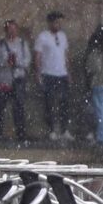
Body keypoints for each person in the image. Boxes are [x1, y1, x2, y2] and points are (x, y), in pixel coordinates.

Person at [0, 19, 31, 142]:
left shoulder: (23, 44)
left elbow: (27, 60)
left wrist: (17, 62)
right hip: (3, 81)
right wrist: (5, 63)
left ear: (17, 30)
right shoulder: (0, 44)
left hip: (18, 79)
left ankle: (21, 135)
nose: (12, 31)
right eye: (9, 28)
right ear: (6, 30)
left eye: (14, 28)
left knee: (19, 108)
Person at [34, 11, 73, 140]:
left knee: (64, 102)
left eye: (60, 22)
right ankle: (52, 130)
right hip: (48, 74)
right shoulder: (42, 37)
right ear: (50, 23)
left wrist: (68, 72)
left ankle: (64, 130)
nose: (58, 25)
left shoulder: (63, 36)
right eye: (56, 22)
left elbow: (66, 55)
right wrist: (38, 73)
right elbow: (38, 56)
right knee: (49, 103)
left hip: (62, 74)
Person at [84, 25, 103, 144]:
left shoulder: (95, 52)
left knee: (101, 111)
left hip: (98, 83)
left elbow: (91, 68)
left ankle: (102, 137)